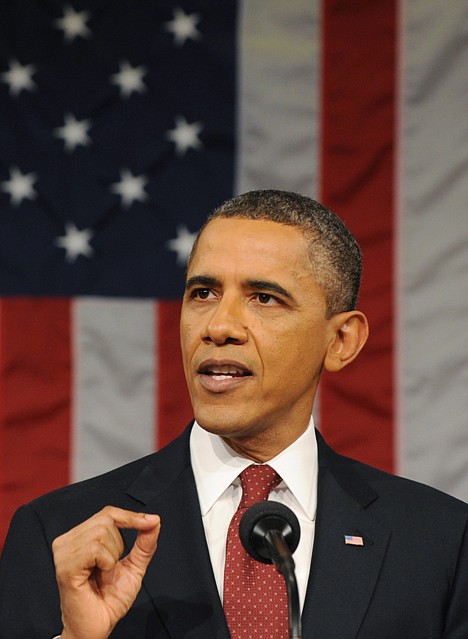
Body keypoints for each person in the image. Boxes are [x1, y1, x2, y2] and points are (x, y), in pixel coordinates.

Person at [0, 190, 467, 639]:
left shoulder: (439, 542)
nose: (218, 326)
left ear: (341, 340)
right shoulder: (58, 535)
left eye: (264, 298)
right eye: (203, 293)